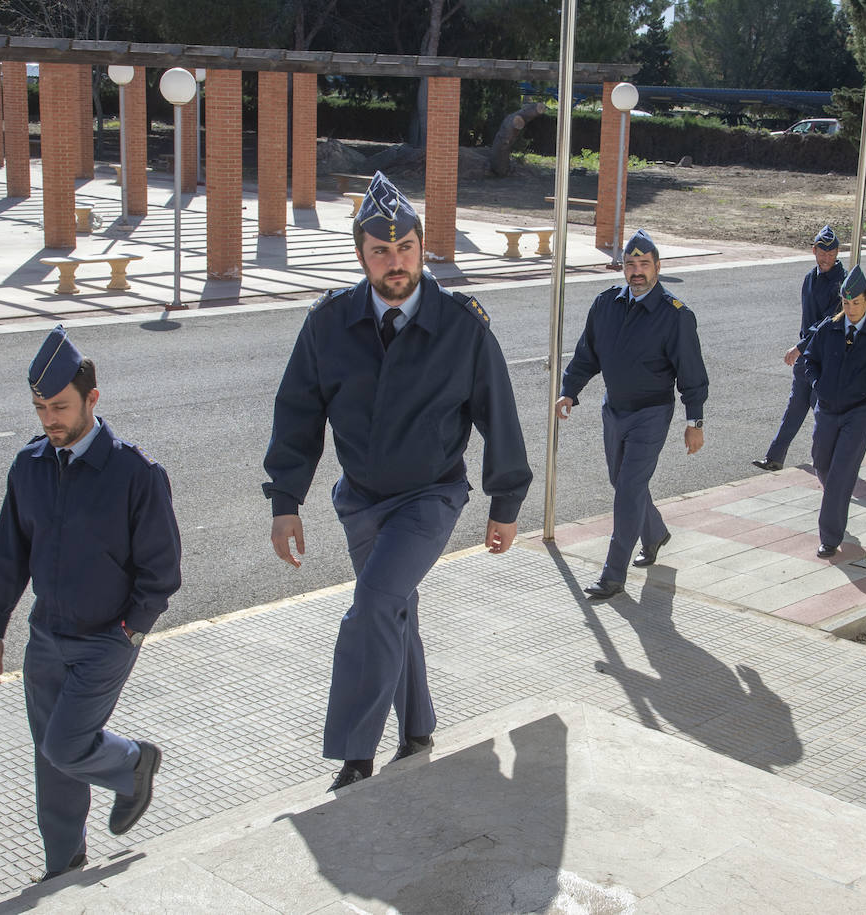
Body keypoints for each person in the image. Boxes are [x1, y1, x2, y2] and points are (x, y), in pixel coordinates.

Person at [263, 172, 532, 792]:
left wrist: (506, 501)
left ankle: (356, 754)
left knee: (375, 603)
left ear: (421, 245)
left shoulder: (461, 324)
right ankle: (418, 727)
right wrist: (285, 500)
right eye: (380, 251)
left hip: (430, 496)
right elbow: (297, 414)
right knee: (393, 609)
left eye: (405, 248)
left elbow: (500, 414)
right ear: (360, 253)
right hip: (360, 501)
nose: (395, 262)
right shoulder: (329, 323)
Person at [0, 325, 181, 882]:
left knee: (66, 746)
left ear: (93, 398)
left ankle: (135, 763)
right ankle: (63, 862)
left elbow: (161, 571)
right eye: (40, 408)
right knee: (51, 759)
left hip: (106, 638)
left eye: (60, 406)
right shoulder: (30, 466)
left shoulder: (135, 473)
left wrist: (129, 634)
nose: (49, 420)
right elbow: (8, 554)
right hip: (46, 636)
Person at [556, 229, 709, 599]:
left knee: (627, 490)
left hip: (652, 413)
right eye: (630, 264)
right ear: (622, 267)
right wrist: (568, 392)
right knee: (621, 482)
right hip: (615, 410)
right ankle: (655, 532)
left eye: (644, 264)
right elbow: (586, 355)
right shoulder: (605, 304)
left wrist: (695, 422)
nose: (636, 271)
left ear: (658, 266)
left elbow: (692, 374)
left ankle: (613, 575)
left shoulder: (676, 316)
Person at [800, 265, 866, 557]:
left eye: (857, 302)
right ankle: (836, 502)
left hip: (860, 412)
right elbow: (811, 359)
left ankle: (830, 537)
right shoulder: (829, 328)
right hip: (828, 409)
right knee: (821, 463)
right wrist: (818, 385)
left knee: (841, 474)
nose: (852, 308)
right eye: (846, 303)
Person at [752, 225, 846, 472]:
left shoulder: (841, 282)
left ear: (837, 252)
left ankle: (829, 459)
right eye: (822, 252)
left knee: (821, 410)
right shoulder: (810, 277)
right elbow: (808, 319)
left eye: (831, 253)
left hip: (824, 357)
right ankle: (774, 457)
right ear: (814, 250)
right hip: (807, 355)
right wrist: (803, 347)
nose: (826, 258)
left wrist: (800, 347)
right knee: (795, 407)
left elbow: (828, 321)